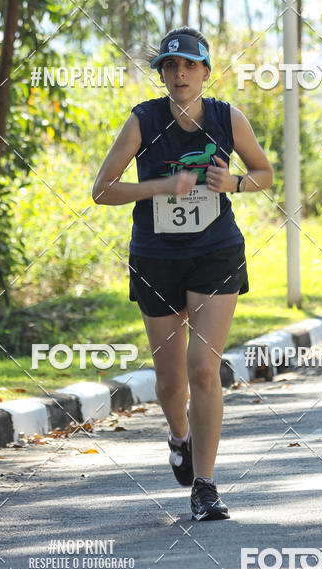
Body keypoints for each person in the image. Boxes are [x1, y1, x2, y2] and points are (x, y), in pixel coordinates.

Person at [92, 27, 273, 518]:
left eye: (190, 65)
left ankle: (206, 484)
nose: (180, 74)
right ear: (162, 75)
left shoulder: (226, 117)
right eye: (171, 66)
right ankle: (179, 437)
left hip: (216, 251)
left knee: (203, 369)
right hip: (156, 258)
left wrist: (234, 181)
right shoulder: (143, 120)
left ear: (206, 72)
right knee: (171, 383)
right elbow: (102, 189)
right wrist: (158, 188)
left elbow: (265, 174)